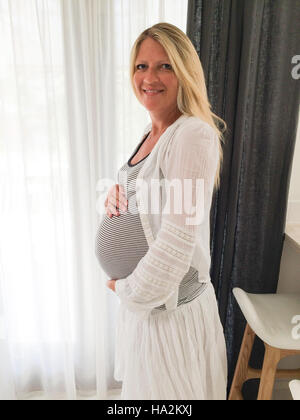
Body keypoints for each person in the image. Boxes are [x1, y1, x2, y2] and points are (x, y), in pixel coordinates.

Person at [95, 22, 227, 400]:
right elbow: (156, 196)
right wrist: (119, 193)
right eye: (142, 66)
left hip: (171, 318)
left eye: (164, 66)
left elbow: (175, 244)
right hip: (149, 315)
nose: (150, 77)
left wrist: (125, 289)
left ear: (184, 73)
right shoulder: (154, 131)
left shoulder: (192, 135)